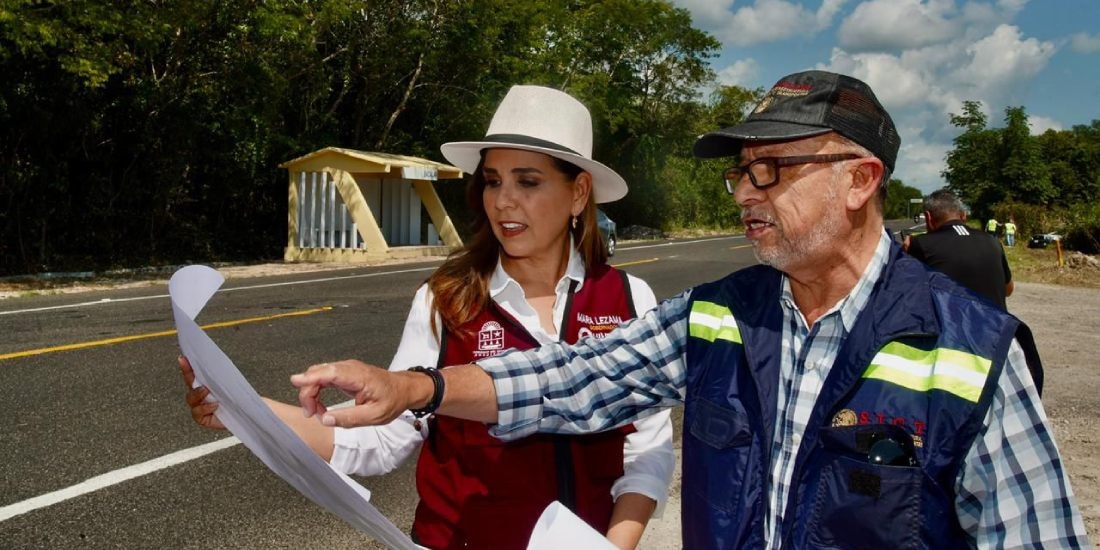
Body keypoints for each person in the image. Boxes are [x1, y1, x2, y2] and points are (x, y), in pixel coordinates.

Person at [287, 71, 1091, 549]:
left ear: (860, 180)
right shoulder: (716, 317)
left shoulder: (972, 351)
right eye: (742, 172)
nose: (746, 192)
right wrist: (418, 389)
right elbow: (572, 380)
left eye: (772, 169)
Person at [181, 85, 674, 550]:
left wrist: (612, 546)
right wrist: (243, 409)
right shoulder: (447, 300)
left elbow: (647, 453)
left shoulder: (629, 300)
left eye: (528, 181)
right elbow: (383, 437)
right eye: (493, 181)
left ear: (579, 192)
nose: (503, 200)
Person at [907, 189, 1014, 310]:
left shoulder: (921, 244)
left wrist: (904, 254)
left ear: (928, 217)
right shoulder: (992, 241)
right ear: (963, 215)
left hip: (951, 327)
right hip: (997, 326)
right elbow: (1008, 289)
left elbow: (907, 291)